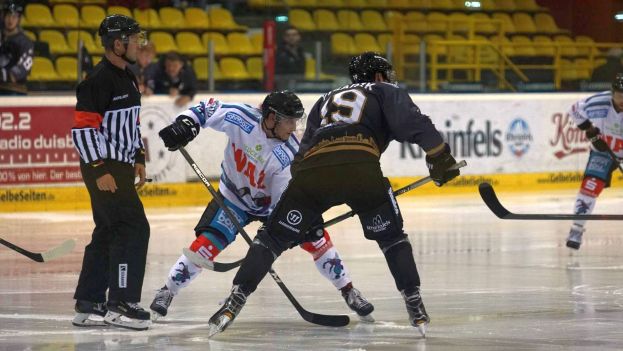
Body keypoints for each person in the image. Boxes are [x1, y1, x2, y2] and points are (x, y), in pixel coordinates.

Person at [203, 52, 460, 338]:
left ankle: (233, 302)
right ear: (377, 75)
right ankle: (415, 305)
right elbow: (414, 123)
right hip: (360, 169)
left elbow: (299, 158)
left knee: (271, 238)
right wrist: (440, 157)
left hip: (313, 173)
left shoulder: (324, 99)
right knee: (392, 238)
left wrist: (306, 210)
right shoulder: (384, 90)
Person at [153, 91, 375, 322]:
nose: (294, 127)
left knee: (318, 240)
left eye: (296, 120)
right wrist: (186, 125)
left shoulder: (288, 155)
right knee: (205, 246)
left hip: (273, 209)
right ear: (271, 118)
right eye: (289, 120)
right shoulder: (242, 118)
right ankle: (167, 290)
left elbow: (286, 201)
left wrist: (274, 237)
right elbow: (206, 110)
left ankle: (348, 289)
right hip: (233, 199)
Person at [71, 14, 151, 331]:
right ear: (117, 44)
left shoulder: (128, 76)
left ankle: (90, 302)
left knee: (107, 230)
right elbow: (83, 131)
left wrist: (139, 157)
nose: (139, 44)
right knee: (132, 228)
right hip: (103, 165)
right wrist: (98, 168)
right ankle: (121, 303)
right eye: (134, 39)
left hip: (118, 164)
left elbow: (130, 125)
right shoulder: (97, 81)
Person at [565, 74, 623, 250]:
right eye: (620, 94)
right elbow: (574, 110)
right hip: (604, 151)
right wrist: (590, 132)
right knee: (590, 186)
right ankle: (577, 228)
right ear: (613, 93)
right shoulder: (598, 102)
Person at [0, 0, 33, 95]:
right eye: (8, 16)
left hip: (14, 92)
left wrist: (4, 74)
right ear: (3, 17)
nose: (10, 20)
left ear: (19, 19)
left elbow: (20, 71)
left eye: (14, 16)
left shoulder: (25, 42)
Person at [274, 26, 306, 91]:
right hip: (283, 84)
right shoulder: (278, 52)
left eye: (294, 35)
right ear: (284, 38)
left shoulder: (301, 51)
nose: (291, 37)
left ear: (299, 37)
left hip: (299, 82)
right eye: (288, 35)